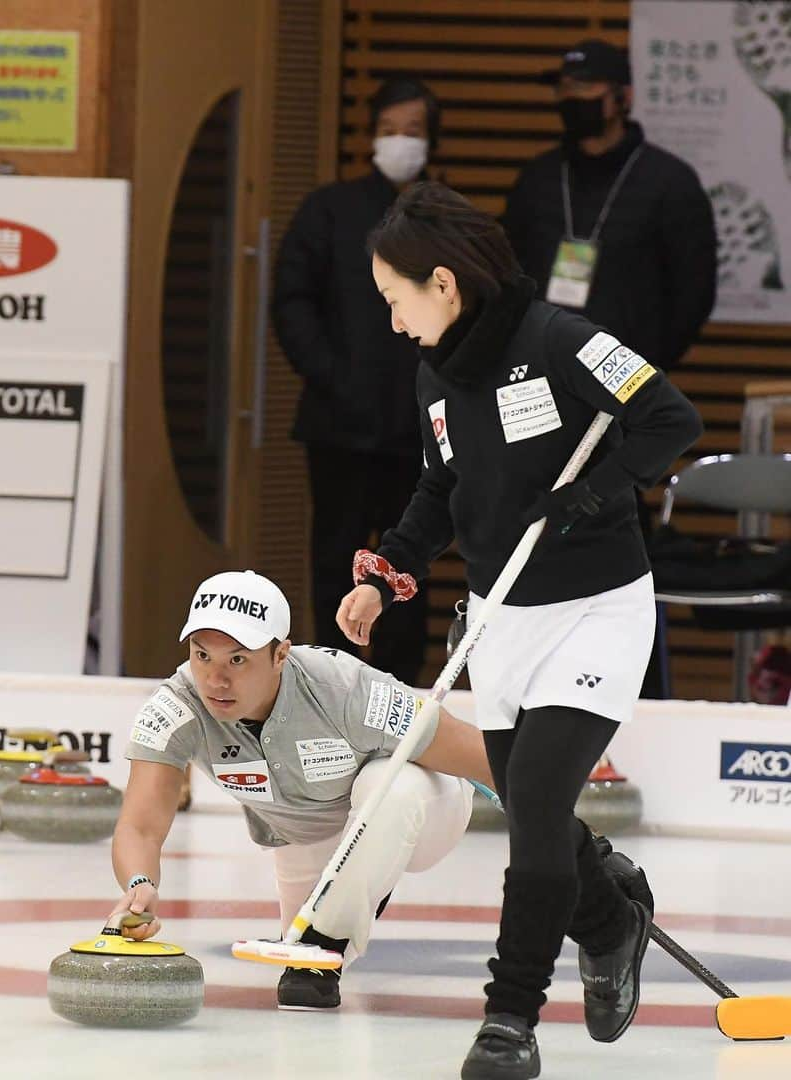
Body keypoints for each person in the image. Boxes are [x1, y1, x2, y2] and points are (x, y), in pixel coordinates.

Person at [335, 182, 702, 1078]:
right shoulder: (436, 378)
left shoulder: (561, 341)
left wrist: (593, 494)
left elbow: (669, 417)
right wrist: (387, 577)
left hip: (596, 613)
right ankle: (614, 920)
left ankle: (510, 1023)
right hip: (502, 623)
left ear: (443, 284)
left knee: (534, 803)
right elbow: (440, 492)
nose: (392, 323)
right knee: (539, 814)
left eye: (395, 300)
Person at [109, 569, 490, 1010]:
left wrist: (562, 828)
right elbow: (139, 826)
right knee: (305, 989)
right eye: (201, 656)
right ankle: (349, 901)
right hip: (304, 839)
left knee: (389, 783)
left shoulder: (344, 689)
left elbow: (481, 755)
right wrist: (139, 884)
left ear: (280, 655)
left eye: (237, 659)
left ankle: (337, 919)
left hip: (427, 807)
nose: (215, 680)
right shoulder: (176, 707)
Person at [272, 76, 442, 685]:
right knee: (333, 556)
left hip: (419, 427)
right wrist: (333, 377)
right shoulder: (330, 209)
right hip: (339, 422)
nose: (400, 142)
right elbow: (292, 302)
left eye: (414, 131)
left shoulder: (441, 216)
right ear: (370, 136)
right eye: (389, 130)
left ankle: (399, 685)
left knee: (409, 560)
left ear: (433, 141)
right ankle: (329, 679)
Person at [503, 38, 716, 375]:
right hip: (541, 373)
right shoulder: (537, 178)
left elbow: (694, 291)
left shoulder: (670, 182)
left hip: (629, 381)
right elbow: (507, 271)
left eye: (585, 87)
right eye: (564, 89)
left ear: (624, 97)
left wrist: (646, 364)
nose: (572, 98)